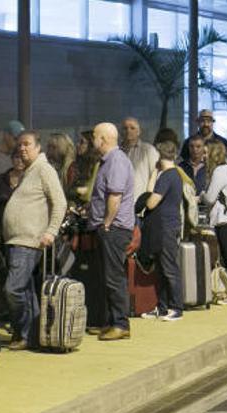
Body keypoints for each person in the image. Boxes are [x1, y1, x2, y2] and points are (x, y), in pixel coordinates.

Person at [3, 131, 67, 350]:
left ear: (38, 147)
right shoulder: (29, 171)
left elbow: (60, 203)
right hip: (17, 240)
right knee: (27, 292)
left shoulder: (43, 169)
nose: (22, 148)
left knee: (13, 289)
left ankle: (22, 332)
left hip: (29, 241)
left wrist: (51, 231)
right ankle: (31, 336)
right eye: (19, 144)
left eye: (27, 144)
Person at [89, 123, 136, 341]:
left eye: (94, 136)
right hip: (109, 227)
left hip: (114, 229)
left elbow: (114, 196)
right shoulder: (108, 161)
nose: (92, 140)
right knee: (105, 277)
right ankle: (108, 322)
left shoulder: (116, 161)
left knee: (114, 278)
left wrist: (106, 223)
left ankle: (120, 324)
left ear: (104, 139)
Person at [140, 141, 184, 322]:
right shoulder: (175, 175)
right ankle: (163, 307)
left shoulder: (167, 176)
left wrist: (152, 176)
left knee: (168, 268)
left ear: (159, 156)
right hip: (166, 226)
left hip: (165, 227)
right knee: (162, 268)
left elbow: (150, 202)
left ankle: (176, 308)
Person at [201, 141, 227, 305]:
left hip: (226, 220)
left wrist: (201, 195)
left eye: (206, 153)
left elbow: (210, 197)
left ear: (213, 154)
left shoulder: (221, 171)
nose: (204, 156)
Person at [121, 117, 160, 197]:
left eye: (132, 128)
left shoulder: (149, 150)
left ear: (139, 132)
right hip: (120, 200)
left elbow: (156, 174)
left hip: (140, 200)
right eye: (125, 128)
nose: (128, 131)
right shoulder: (117, 151)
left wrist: (148, 197)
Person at [0, 152, 25, 229]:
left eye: (23, 158)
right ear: (12, 159)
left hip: (23, 229)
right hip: (1, 227)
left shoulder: (32, 181)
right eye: (17, 157)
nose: (20, 161)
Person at [73, 130, 102, 205]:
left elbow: (88, 193)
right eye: (78, 141)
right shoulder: (79, 164)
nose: (77, 145)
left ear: (91, 145)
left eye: (82, 142)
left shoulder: (98, 165)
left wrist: (75, 190)